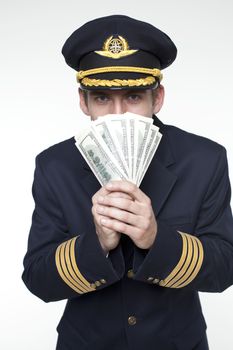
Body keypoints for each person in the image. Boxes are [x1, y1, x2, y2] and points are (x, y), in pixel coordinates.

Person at [22, 15, 233, 350]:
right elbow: (37, 278)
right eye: (102, 98)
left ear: (157, 97)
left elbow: (225, 268)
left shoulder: (205, 159)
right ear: (83, 101)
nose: (118, 114)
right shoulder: (54, 166)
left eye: (134, 96)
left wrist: (156, 238)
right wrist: (97, 243)